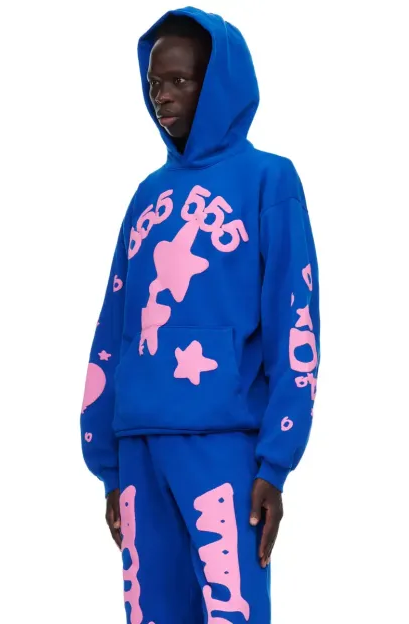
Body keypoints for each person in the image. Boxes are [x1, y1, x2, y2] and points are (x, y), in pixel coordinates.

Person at [80, 6, 320, 623]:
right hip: (138, 445)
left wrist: (276, 461)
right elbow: (115, 324)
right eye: (155, 82)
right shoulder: (146, 195)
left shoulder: (269, 180)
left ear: (216, 84)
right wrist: (105, 461)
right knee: (151, 613)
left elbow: (295, 319)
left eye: (180, 81)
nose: (162, 95)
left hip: (224, 444)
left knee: (232, 611)